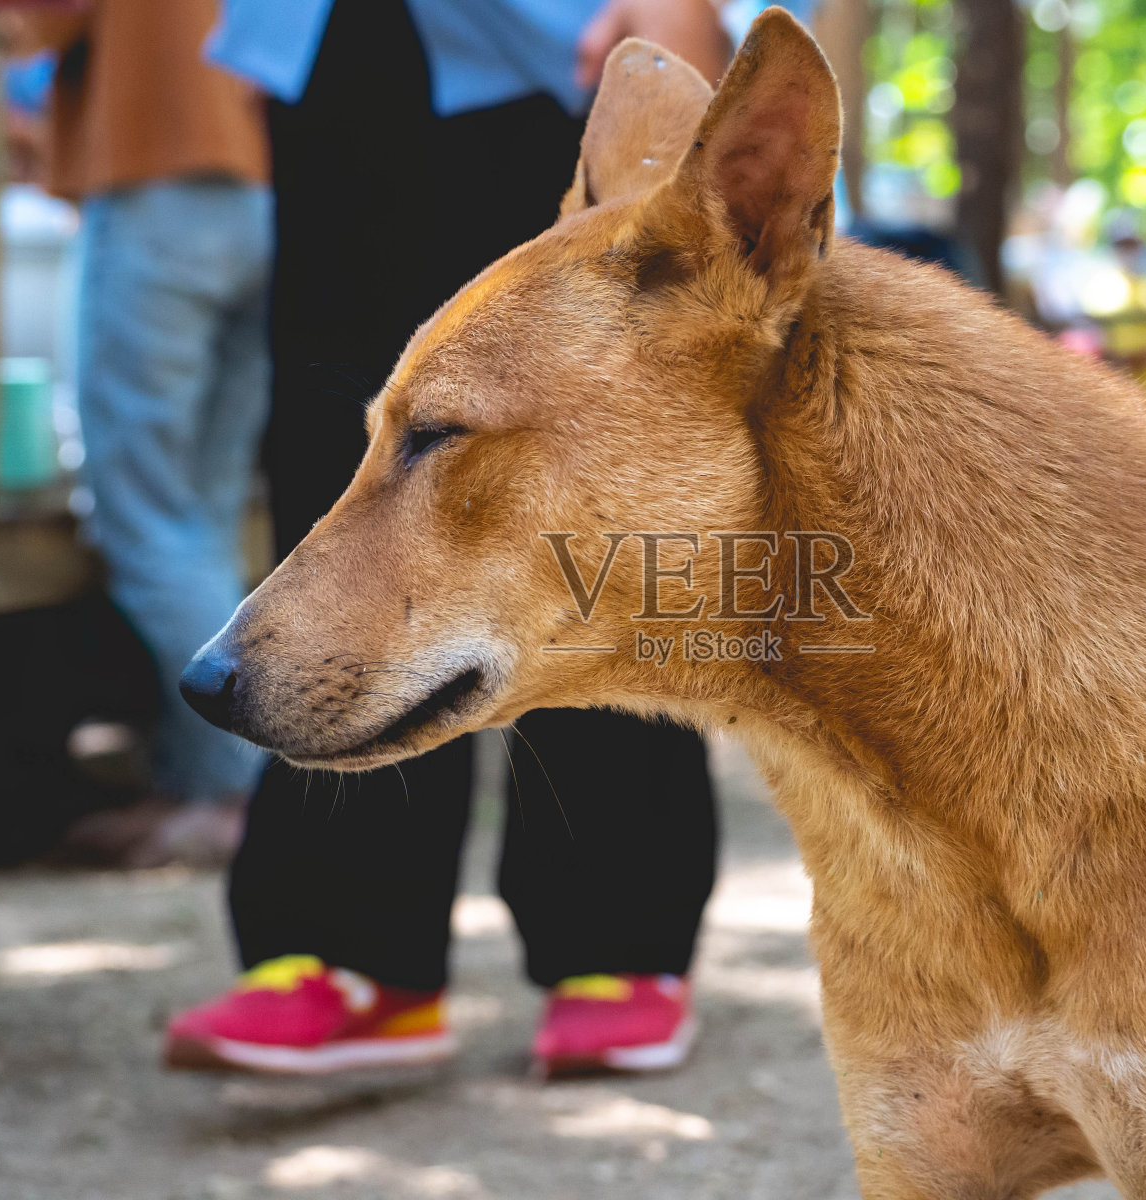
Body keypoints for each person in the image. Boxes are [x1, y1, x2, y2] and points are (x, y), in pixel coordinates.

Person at [162, 0, 735, 1077]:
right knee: (339, 466)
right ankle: (351, 942)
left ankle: (617, 933)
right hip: (335, 52)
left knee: (580, 487)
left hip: (563, 62)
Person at [13, 0, 272, 866]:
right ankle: (203, 785)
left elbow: (31, 22)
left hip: (156, 183)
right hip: (263, 189)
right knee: (203, 515)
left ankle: (238, 791)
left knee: (145, 522)